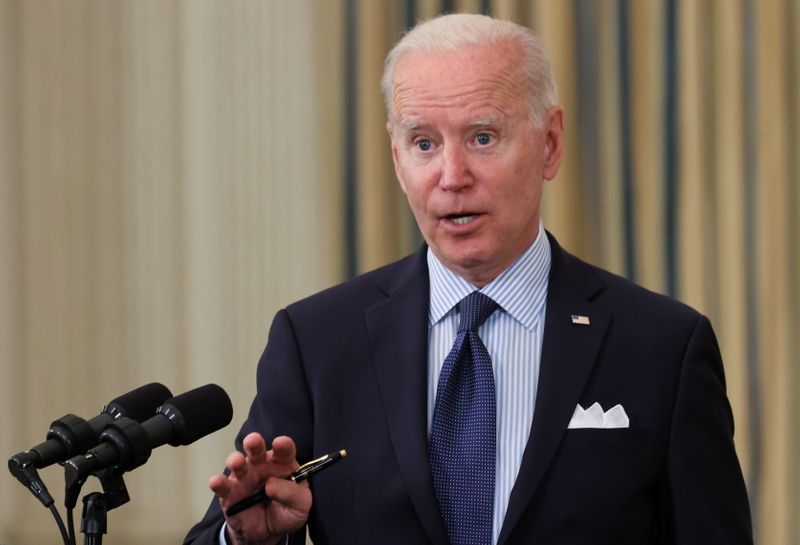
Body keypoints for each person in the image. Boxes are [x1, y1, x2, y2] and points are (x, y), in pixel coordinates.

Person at [184, 13, 753, 545]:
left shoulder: (662, 346)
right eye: (424, 143)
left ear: (550, 144)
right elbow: (225, 525)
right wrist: (247, 539)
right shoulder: (316, 341)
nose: (452, 177)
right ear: (396, 155)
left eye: (482, 137)